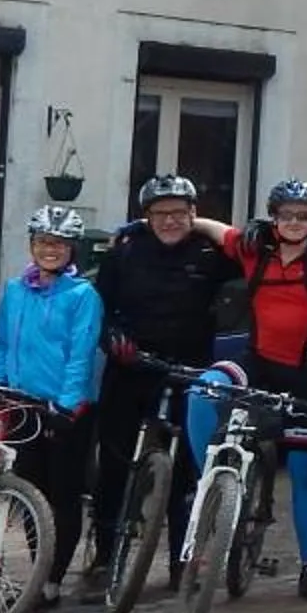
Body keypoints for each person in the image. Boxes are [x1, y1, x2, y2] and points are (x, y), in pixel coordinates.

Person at [192, 179, 307, 603]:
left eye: (303, 216)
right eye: (286, 214)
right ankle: (210, 481)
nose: (294, 222)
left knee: (303, 475)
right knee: (205, 388)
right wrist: (143, 225)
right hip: (258, 364)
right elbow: (207, 227)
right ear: (273, 216)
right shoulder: (253, 248)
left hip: (305, 376)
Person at [87, 173, 242, 579]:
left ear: (194, 214)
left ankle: (182, 557)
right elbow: (98, 308)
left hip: (187, 371)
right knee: (114, 464)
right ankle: (105, 558)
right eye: (159, 214)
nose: (169, 221)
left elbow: (250, 251)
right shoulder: (125, 251)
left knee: (186, 469)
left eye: (179, 212)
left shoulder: (210, 252)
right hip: (130, 366)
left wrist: (209, 226)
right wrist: (111, 338)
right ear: (146, 217)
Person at [0, 206, 105, 599]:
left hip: (64, 409)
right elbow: (3, 342)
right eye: (42, 243)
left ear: (72, 249)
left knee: (62, 495)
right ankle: (41, 569)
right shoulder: (15, 291)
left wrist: (69, 404)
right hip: (22, 403)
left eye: (58, 244)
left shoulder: (82, 295)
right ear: (32, 246)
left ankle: (51, 582)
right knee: (30, 493)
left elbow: (81, 353)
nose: (49, 250)